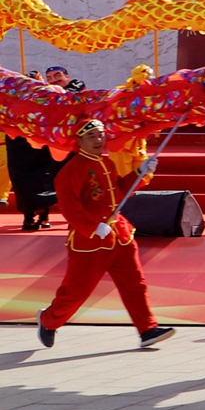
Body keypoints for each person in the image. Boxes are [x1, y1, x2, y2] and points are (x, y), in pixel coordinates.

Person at [36, 119, 173, 349]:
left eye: (100, 135)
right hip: (90, 241)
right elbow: (70, 208)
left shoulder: (107, 163)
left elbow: (119, 192)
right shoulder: (71, 171)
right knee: (78, 291)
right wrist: (93, 227)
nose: (98, 140)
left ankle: (147, 329)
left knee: (135, 284)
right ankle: (49, 321)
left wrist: (139, 172)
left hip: (119, 234)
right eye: (91, 136)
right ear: (79, 141)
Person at [7, 134, 60, 232]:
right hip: (19, 135)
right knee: (20, 177)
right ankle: (29, 214)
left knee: (45, 174)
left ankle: (43, 215)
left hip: (41, 134)